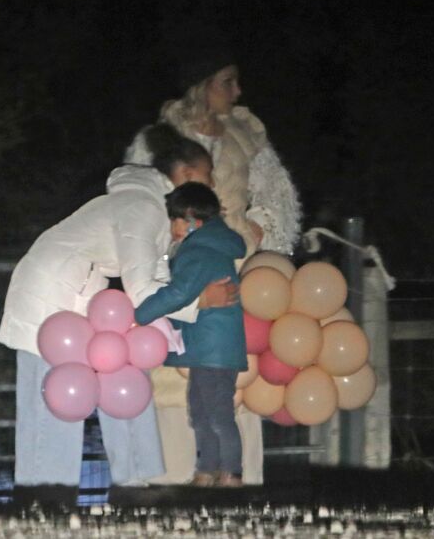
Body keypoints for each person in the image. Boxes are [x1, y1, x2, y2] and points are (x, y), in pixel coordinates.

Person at [0, 123, 237, 491]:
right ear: (187, 176)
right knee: (51, 401)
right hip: (49, 295)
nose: (214, 186)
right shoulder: (143, 209)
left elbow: (156, 280)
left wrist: (187, 303)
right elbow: (144, 292)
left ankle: (130, 483)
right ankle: (46, 498)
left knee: (100, 382)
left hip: (74, 293)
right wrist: (201, 302)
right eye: (209, 176)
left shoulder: (153, 210)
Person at [124, 40, 302, 485]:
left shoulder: (245, 136)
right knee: (172, 370)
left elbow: (277, 196)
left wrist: (260, 224)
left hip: (232, 262)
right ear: (202, 86)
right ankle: (177, 473)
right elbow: (138, 202)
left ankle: (235, 472)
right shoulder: (159, 138)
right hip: (177, 259)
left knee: (230, 376)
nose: (238, 91)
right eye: (228, 81)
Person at [134, 182, 247, 487]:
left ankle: (231, 473)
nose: (171, 228)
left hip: (212, 350)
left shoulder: (197, 251)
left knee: (217, 414)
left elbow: (179, 293)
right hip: (211, 348)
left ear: (191, 219)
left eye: (174, 220)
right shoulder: (211, 247)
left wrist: (140, 315)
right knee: (202, 412)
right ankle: (207, 470)